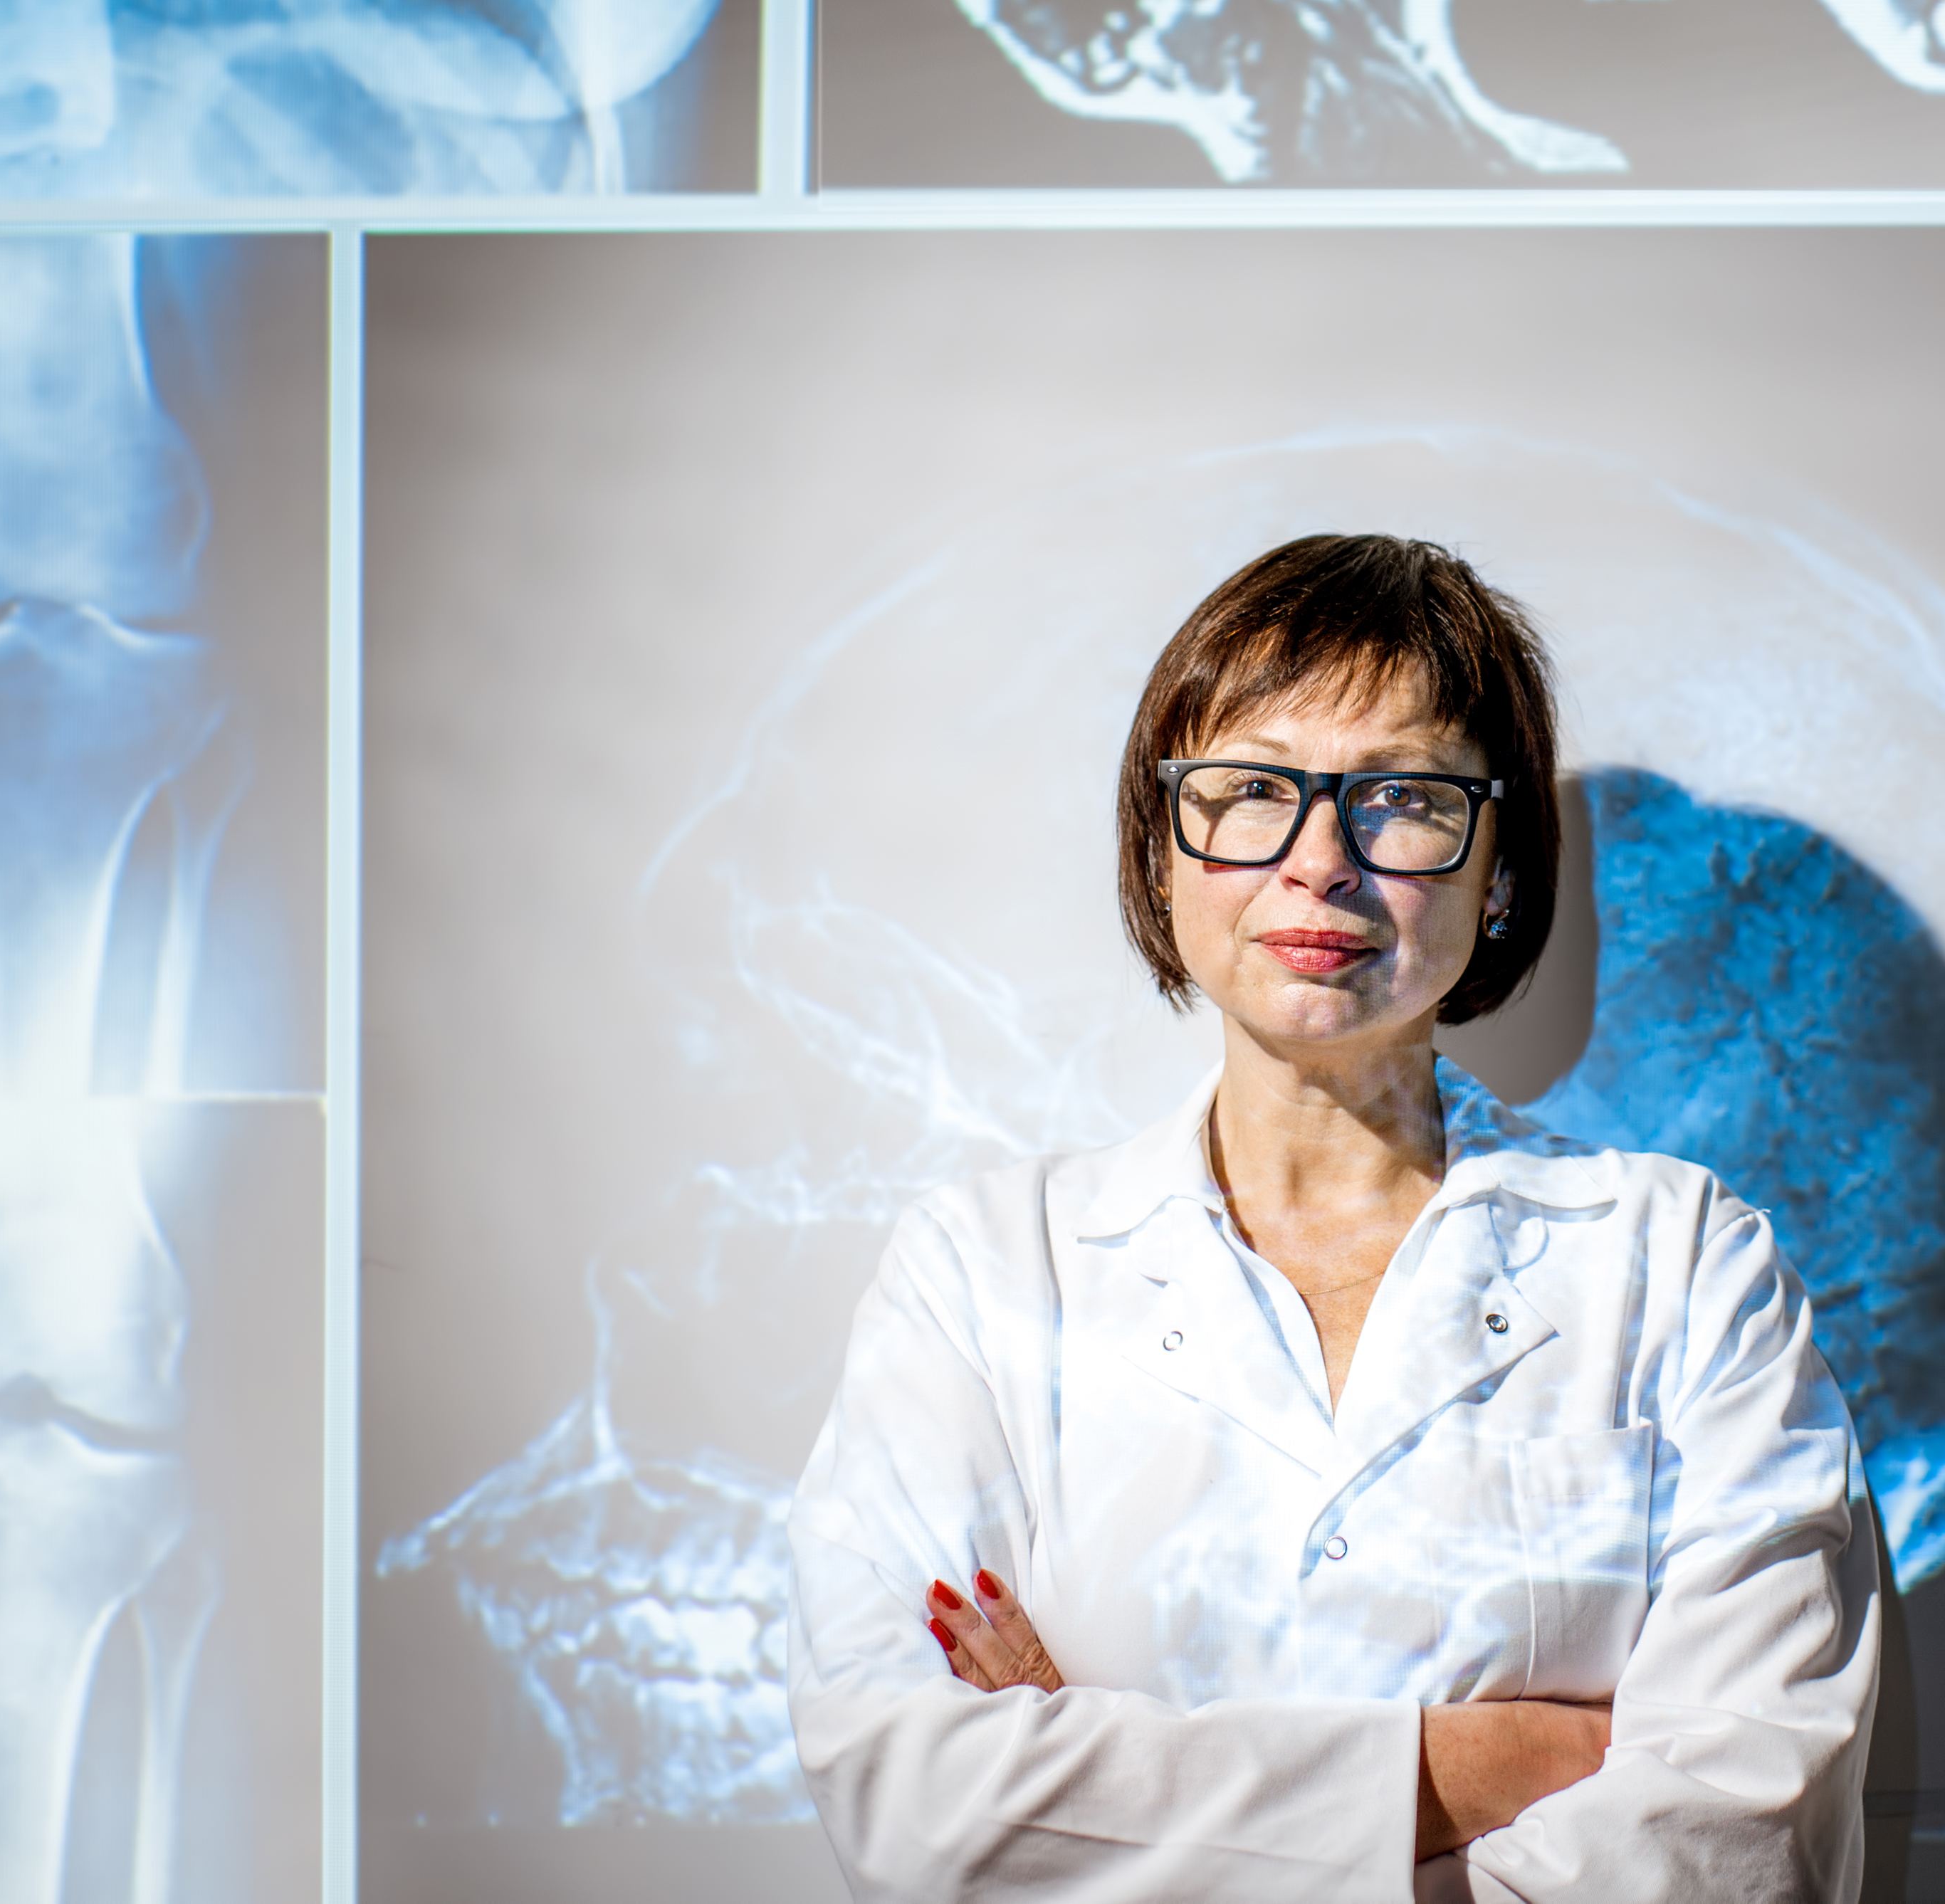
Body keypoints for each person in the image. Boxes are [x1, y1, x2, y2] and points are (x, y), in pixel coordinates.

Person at [787, 534, 1881, 1900]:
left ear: (1497, 874)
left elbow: (1735, 1842)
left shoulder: (1685, 1264)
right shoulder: (982, 1273)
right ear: (1160, 846)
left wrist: (1111, 1796)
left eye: (1405, 799)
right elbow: (923, 1811)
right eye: (1251, 790)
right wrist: (1501, 1764)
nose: (1321, 861)